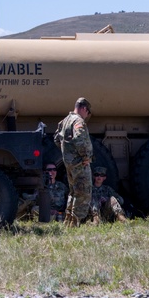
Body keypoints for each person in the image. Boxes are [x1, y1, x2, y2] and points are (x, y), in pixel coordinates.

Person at [54, 97, 93, 226]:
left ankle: (68, 220)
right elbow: (80, 139)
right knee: (83, 192)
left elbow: (56, 139)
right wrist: (85, 157)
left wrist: (67, 151)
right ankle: (76, 222)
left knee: (73, 191)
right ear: (84, 109)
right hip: (79, 163)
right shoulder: (78, 121)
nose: (87, 116)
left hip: (69, 163)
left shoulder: (65, 121)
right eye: (88, 113)